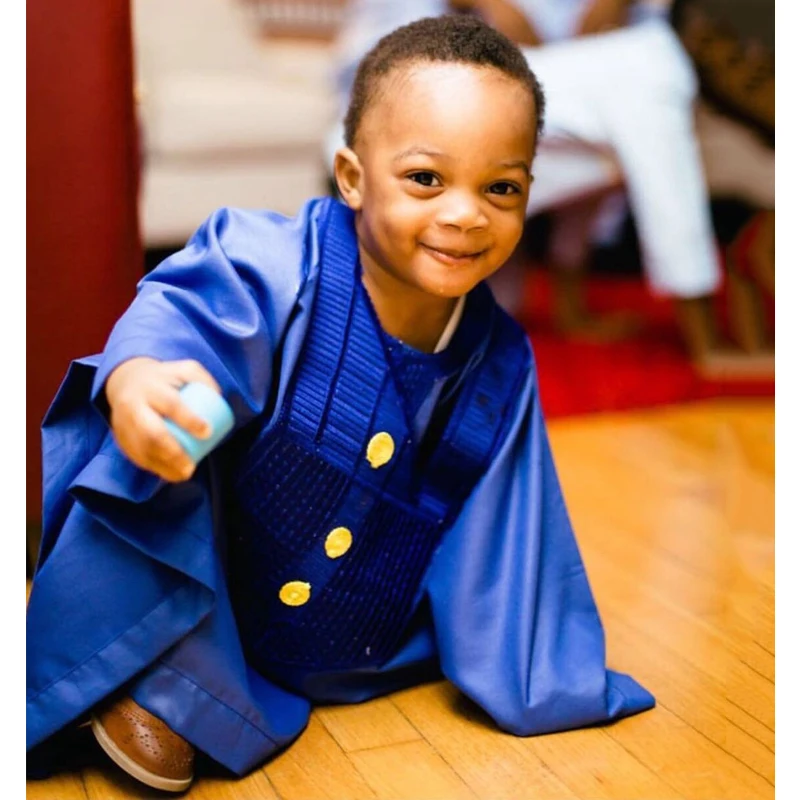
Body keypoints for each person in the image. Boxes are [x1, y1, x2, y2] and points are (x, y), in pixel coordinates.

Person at [26, 15, 654, 794]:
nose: (466, 214)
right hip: (210, 577)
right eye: (426, 179)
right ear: (353, 177)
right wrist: (139, 380)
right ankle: (145, 674)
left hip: (354, 621)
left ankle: (232, 676)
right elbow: (186, 314)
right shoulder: (272, 259)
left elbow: (510, 532)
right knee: (154, 433)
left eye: (501, 188)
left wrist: (546, 672)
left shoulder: (498, 357)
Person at [330, 0, 773, 377]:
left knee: (499, 308)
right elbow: (674, 211)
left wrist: (571, 310)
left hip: (419, 171)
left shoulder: (631, 63)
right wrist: (708, 346)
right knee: (414, 336)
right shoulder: (651, 68)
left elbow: (588, 181)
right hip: (386, 173)